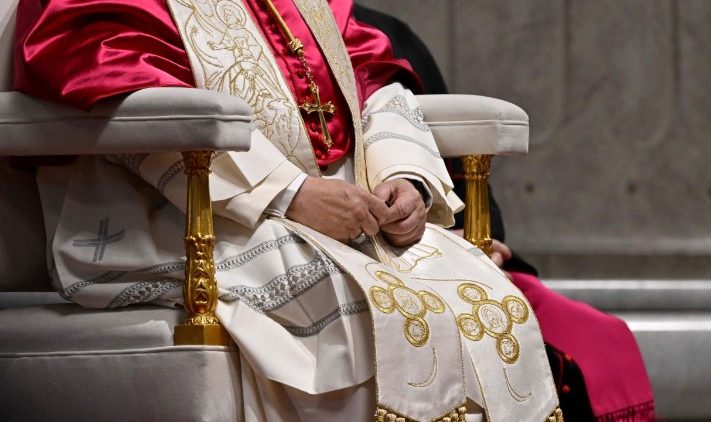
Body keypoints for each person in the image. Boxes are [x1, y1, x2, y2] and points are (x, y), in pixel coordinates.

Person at [14, 0, 562, 421]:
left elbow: (369, 79)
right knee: (357, 306)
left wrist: (404, 177)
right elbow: (115, 80)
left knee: (479, 293)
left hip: (344, 207)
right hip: (179, 217)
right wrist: (289, 193)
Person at [351, 5, 656, 422]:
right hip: (356, 259)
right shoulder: (261, 50)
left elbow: (458, 175)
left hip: (446, 244)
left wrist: (478, 241)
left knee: (599, 342)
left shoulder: (376, 36)